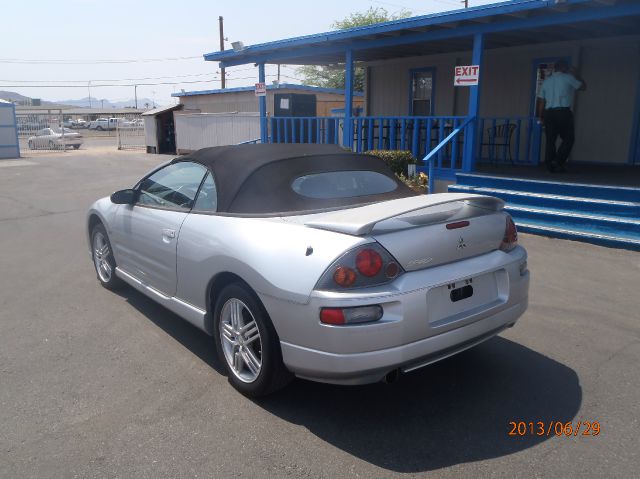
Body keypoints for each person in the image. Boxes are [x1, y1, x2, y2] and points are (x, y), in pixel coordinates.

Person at [536, 61, 586, 172]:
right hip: (563, 112)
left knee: (550, 140)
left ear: (555, 68)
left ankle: (550, 164)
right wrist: (576, 73)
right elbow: (583, 87)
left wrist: (540, 116)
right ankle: (558, 161)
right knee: (569, 139)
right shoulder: (568, 77)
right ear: (564, 67)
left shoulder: (547, 81)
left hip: (549, 113)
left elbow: (541, 101)